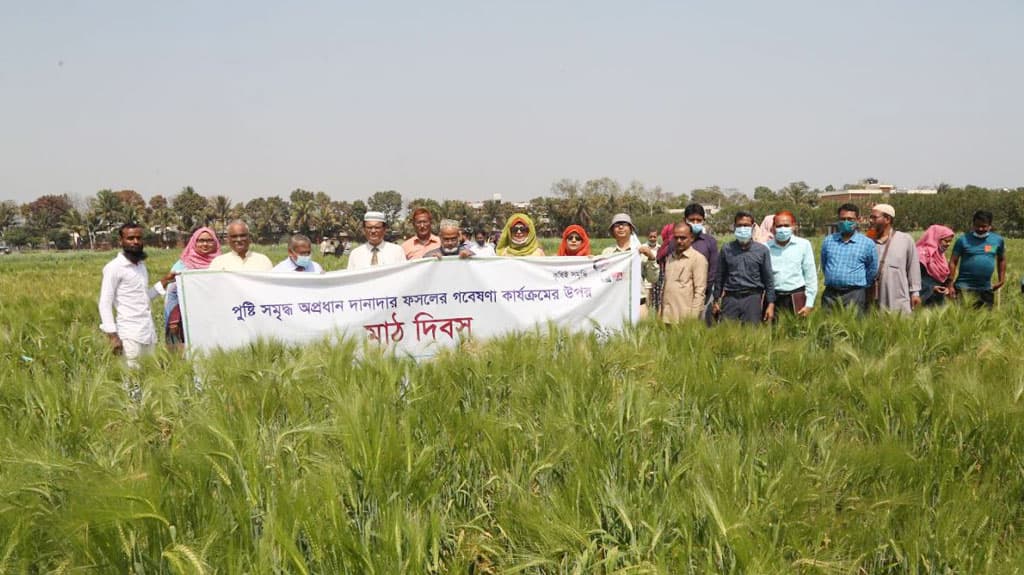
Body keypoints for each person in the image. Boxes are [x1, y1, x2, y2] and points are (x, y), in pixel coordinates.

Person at [98, 223, 175, 367]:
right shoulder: (114, 268)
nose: (135, 242)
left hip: (148, 332)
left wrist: (165, 281)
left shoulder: (140, 266)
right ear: (120, 241)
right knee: (133, 382)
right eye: (130, 238)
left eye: (139, 238)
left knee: (149, 377)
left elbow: (143, 298)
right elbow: (105, 303)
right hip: (128, 335)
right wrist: (112, 335)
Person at [712, 211, 775, 324]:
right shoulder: (727, 249)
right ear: (734, 227)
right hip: (730, 298)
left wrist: (770, 304)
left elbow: (768, 279)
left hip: (752, 298)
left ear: (752, 227)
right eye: (739, 225)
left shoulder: (762, 250)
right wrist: (716, 300)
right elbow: (720, 276)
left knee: (752, 334)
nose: (743, 228)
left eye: (746, 225)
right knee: (727, 333)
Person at [163, 226, 221, 347]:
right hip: (187, 320)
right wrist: (173, 321)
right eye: (200, 240)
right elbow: (172, 293)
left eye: (209, 240)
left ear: (215, 242)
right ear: (194, 242)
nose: (205, 244)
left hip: (215, 317)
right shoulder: (182, 265)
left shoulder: (221, 263)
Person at [821, 203, 878, 313]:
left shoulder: (867, 243)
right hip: (830, 295)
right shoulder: (828, 241)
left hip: (855, 294)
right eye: (843, 219)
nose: (846, 222)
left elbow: (872, 270)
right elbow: (824, 265)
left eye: (850, 219)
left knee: (854, 327)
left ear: (858, 220)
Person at [866, 204, 921, 313]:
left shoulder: (905, 240)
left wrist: (915, 293)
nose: (870, 221)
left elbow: (913, 267)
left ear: (887, 219)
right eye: (870, 217)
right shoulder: (867, 241)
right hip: (873, 299)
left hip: (898, 298)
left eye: (874, 217)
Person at [949, 210, 1007, 308]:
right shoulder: (962, 240)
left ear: (990, 226)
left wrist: (1001, 280)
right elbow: (953, 262)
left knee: (985, 321)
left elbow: (1002, 259)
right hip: (963, 288)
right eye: (977, 225)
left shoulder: (998, 240)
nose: (980, 228)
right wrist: (950, 284)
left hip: (986, 289)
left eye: (984, 226)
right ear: (973, 224)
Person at [767, 211, 817, 316]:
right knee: (774, 331)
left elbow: (810, 276)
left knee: (798, 330)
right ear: (773, 228)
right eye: (779, 226)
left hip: (797, 296)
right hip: (774, 298)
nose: (782, 229)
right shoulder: (766, 247)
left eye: (786, 225)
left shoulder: (803, 245)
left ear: (793, 226)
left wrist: (809, 303)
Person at [660, 222, 708, 324]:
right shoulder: (670, 258)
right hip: (667, 318)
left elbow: (700, 292)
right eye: (676, 237)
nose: (679, 241)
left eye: (683, 238)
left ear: (691, 238)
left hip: (685, 319)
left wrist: (692, 319)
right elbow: (665, 288)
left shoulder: (698, 259)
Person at [208, 220, 273, 271]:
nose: (239, 239)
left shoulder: (263, 261)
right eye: (234, 236)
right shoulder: (218, 263)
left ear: (249, 237)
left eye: (242, 235)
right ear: (228, 240)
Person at [915, 224, 955, 307]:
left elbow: (942, 278)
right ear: (936, 239)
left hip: (937, 298)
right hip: (924, 297)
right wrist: (931, 287)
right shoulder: (922, 254)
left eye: (950, 241)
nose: (948, 244)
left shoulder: (940, 255)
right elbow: (914, 278)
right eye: (946, 241)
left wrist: (946, 288)